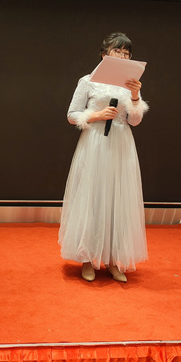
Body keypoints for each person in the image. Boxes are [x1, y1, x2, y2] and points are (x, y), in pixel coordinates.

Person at [59, 32, 149, 283]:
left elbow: (135, 120)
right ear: (104, 54)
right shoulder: (88, 80)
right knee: (93, 197)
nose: (122, 56)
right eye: (117, 51)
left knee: (117, 199)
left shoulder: (130, 84)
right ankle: (88, 258)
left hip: (121, 144)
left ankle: (113, 260)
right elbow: (72, 114)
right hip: (95, 142)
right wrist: (96, 115)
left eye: (126, 53)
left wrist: (135, 96)